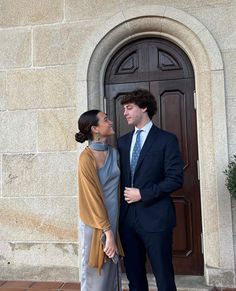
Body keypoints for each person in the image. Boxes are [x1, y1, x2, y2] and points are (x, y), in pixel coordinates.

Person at [117, 89, 183, 291]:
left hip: (156, 219)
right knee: (134, 277)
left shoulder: (166, 139)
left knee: (163, 276)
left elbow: (175, 179)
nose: (125, 113)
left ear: (144, 107)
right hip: (128, 220)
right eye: (124, 109)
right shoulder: (122, 142)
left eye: (129, 108)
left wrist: (143, 194)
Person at [75, 109, 124, 291]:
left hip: (113, 220)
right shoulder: (85, 159)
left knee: (111, 273)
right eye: (106, 119)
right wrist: (108, 232)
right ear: (95, 128)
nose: (110, 121)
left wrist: (113, 230)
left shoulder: (114, 153)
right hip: (95, 224)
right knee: (96, 274)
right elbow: (92, 198)